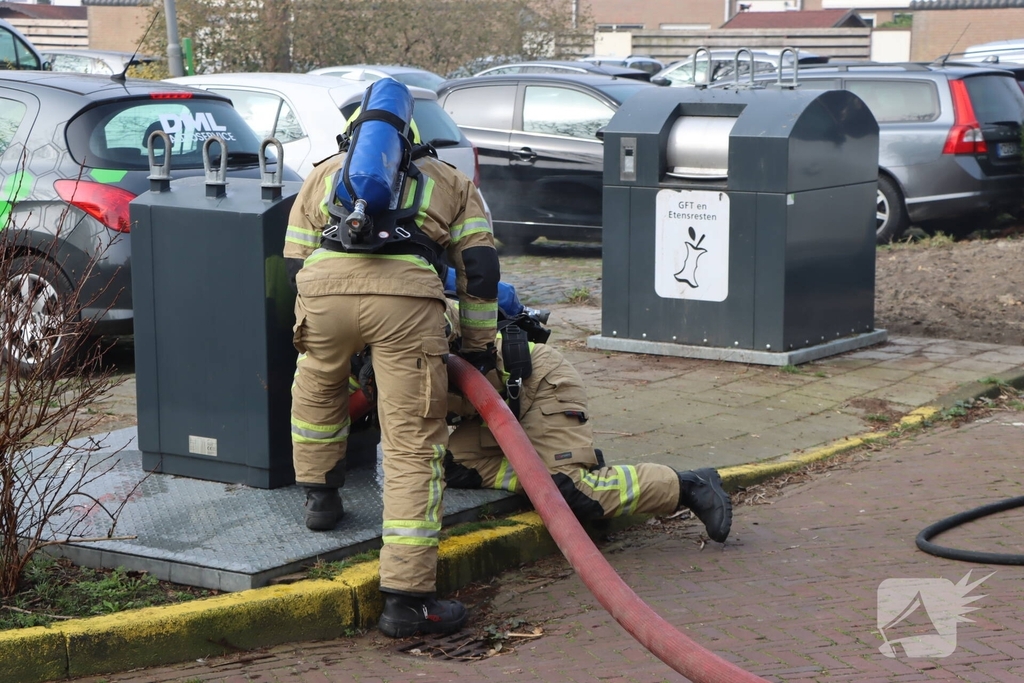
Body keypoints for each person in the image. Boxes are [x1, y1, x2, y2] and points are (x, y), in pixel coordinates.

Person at [283, 79, 499, 639]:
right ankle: (406, 600)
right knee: (410, 443)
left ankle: (321, 498)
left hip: (323, 293)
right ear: (415, 141)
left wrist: (332, 329)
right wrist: (476, 348)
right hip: (407, 304)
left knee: (317, 390)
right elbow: (481, 272)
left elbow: (293, 264)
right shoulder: (450, 181)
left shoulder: (323, 175)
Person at [441, 299, 732, 542]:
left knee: (570, 490)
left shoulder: (421, 309)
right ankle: (559, 469)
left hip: (539, 383)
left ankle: (687, 485)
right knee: (449, 465)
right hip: (488, 405)